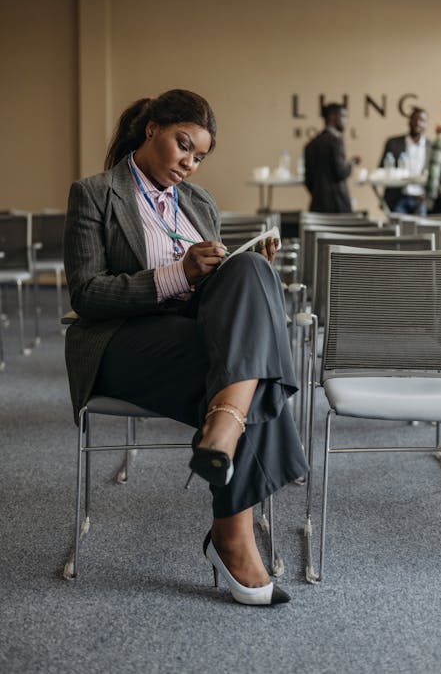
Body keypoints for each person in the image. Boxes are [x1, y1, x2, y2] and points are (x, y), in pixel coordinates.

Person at [63, 89, 308, 606]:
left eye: (199, 157)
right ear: (151, 128)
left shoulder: (200, 203)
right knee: (248, 373)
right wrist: (180, 271)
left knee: (251, 270)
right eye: (183, 145)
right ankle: (230, 528)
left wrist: (243, 267)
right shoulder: (94, 193)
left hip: (191, 335)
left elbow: (213, 295)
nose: (189, 164)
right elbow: (86, 295)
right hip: (120, 341)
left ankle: (225, 427)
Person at [304, 102, 361, 213]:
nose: (346, 121)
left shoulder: (310, 144)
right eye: (344, 116)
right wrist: (352, 163)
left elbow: (308, 180)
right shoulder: (335, 142)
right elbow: (340, 173)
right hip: (338, 206)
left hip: (317, 206)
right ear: (333, 117)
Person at [379, 107, 432, 215]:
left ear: (426, 124)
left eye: (422, 120)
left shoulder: (431, 146)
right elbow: (382, 168)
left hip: (421, 199)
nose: (418, 123)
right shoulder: (393, 143)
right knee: (397, 231)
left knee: (422, 231)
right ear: (409, 121)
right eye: (415, 119)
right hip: (398, 198)